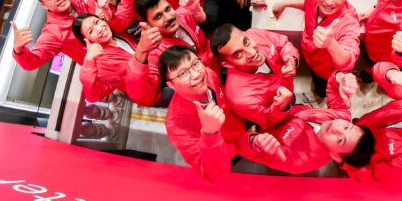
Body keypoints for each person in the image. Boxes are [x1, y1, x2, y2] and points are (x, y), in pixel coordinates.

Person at [239, 73, 370, 175]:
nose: (337, 127)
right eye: (347, 127)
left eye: (340, 140)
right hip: (282, 107)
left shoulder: (297, 161)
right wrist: (342, 78)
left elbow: (241, 147)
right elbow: (333, 85)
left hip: (249, 125)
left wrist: (253, 141)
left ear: (335, 156)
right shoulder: (343, 117)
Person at [159, 47, 249, 182]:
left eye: (195, 64)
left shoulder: (209, 75)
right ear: (171, 84)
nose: (196, 75)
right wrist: (209, 134)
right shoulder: (177, 125)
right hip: (231, 162)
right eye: (183, 74)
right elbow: (212, 175)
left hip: (247, 133)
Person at [271, 0, 362, 98]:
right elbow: (309, 4)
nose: (329, 2)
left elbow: (348, 60)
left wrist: (331, 43)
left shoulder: (348, 21)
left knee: (321, 86)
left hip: (325, 70)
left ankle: (319, 94)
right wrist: (286, 4)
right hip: (308, 53)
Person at [210, 24, 300, 128]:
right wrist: (280, 106)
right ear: (228, 64)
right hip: (280, 114)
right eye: (238, 54)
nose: (252, 53)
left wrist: (291, 57)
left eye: (246, 42)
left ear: (245, 34)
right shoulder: (239, 97)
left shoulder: (254, 33)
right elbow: (267, 120)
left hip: (289, 90)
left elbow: (282, 43)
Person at [10, 0, 88, 70]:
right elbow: (32, 62)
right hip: (103, 69)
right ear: (44, 5)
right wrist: (18, 50)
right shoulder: (53, 32)